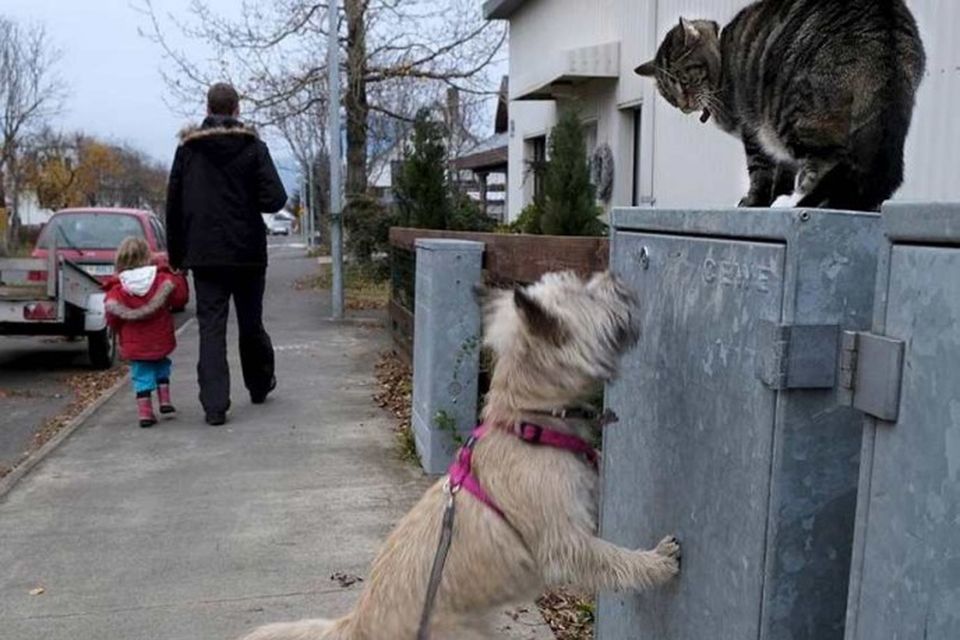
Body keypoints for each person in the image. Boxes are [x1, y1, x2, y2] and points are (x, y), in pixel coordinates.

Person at [165, 82, 288, 426]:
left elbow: (174, 205)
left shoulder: (187, 151)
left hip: (205, 254)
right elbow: (275, 199)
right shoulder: (253, 147)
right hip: (247, 251)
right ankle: (260, 384)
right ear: (236, 110)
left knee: (212, 327)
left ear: (207, 110)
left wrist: (176, 255)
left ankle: (215, 405)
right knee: (251, 323)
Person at [104, 237, 190, 428]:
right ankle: (165, 400)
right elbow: (179, 299)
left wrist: (117, 332)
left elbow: (112, 316)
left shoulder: (118, 288)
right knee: (161, 363)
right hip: (160, 336)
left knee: (141, 373)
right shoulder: (161, 279)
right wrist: (176, 274)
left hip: (134, 340)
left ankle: (145, 412)